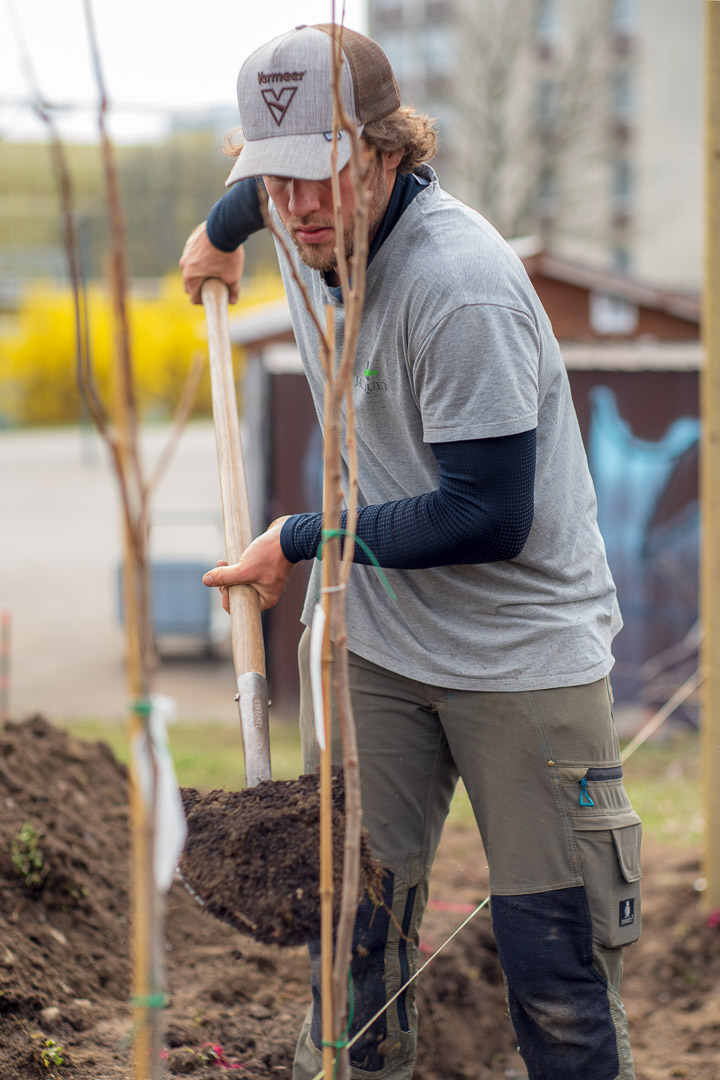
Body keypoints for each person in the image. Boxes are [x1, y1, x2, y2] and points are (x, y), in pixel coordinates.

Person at [180, 23, 641, 1080]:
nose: (296, 204)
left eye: (321, 174)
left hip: (521, 657)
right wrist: (219, 232)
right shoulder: (299, 217)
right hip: (380, 652)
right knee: (347, 942)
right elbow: (260, 195)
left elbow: (485, 516)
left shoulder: (459, 288)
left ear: (389, 153)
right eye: (273, 178)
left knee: (556, 970)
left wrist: (299, 537)